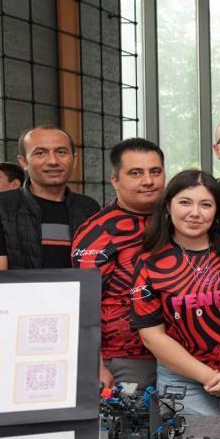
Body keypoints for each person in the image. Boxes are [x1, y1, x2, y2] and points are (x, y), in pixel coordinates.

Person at [132, 170, 220, 416]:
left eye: (206, 205)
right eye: (185, 202)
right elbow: (152, 337)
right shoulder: (149, 263)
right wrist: (209, 376)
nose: (195, 213)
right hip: (182, 382)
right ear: (168, 207)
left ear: (217, 212)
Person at [72, 138, 165, 389]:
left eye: (155, 171)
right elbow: (83, 303)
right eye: (136, 173)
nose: (148, 180)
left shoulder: (178, 218)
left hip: (180, 354)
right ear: (115, 180)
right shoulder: (99, 231)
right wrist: (97, 366)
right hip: (126, 357)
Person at [0, 125, 100, 269]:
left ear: (74, 159)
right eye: (40, 153)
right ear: (23, 162)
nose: (53, 161)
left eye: (61, 152)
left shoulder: (89, 208)